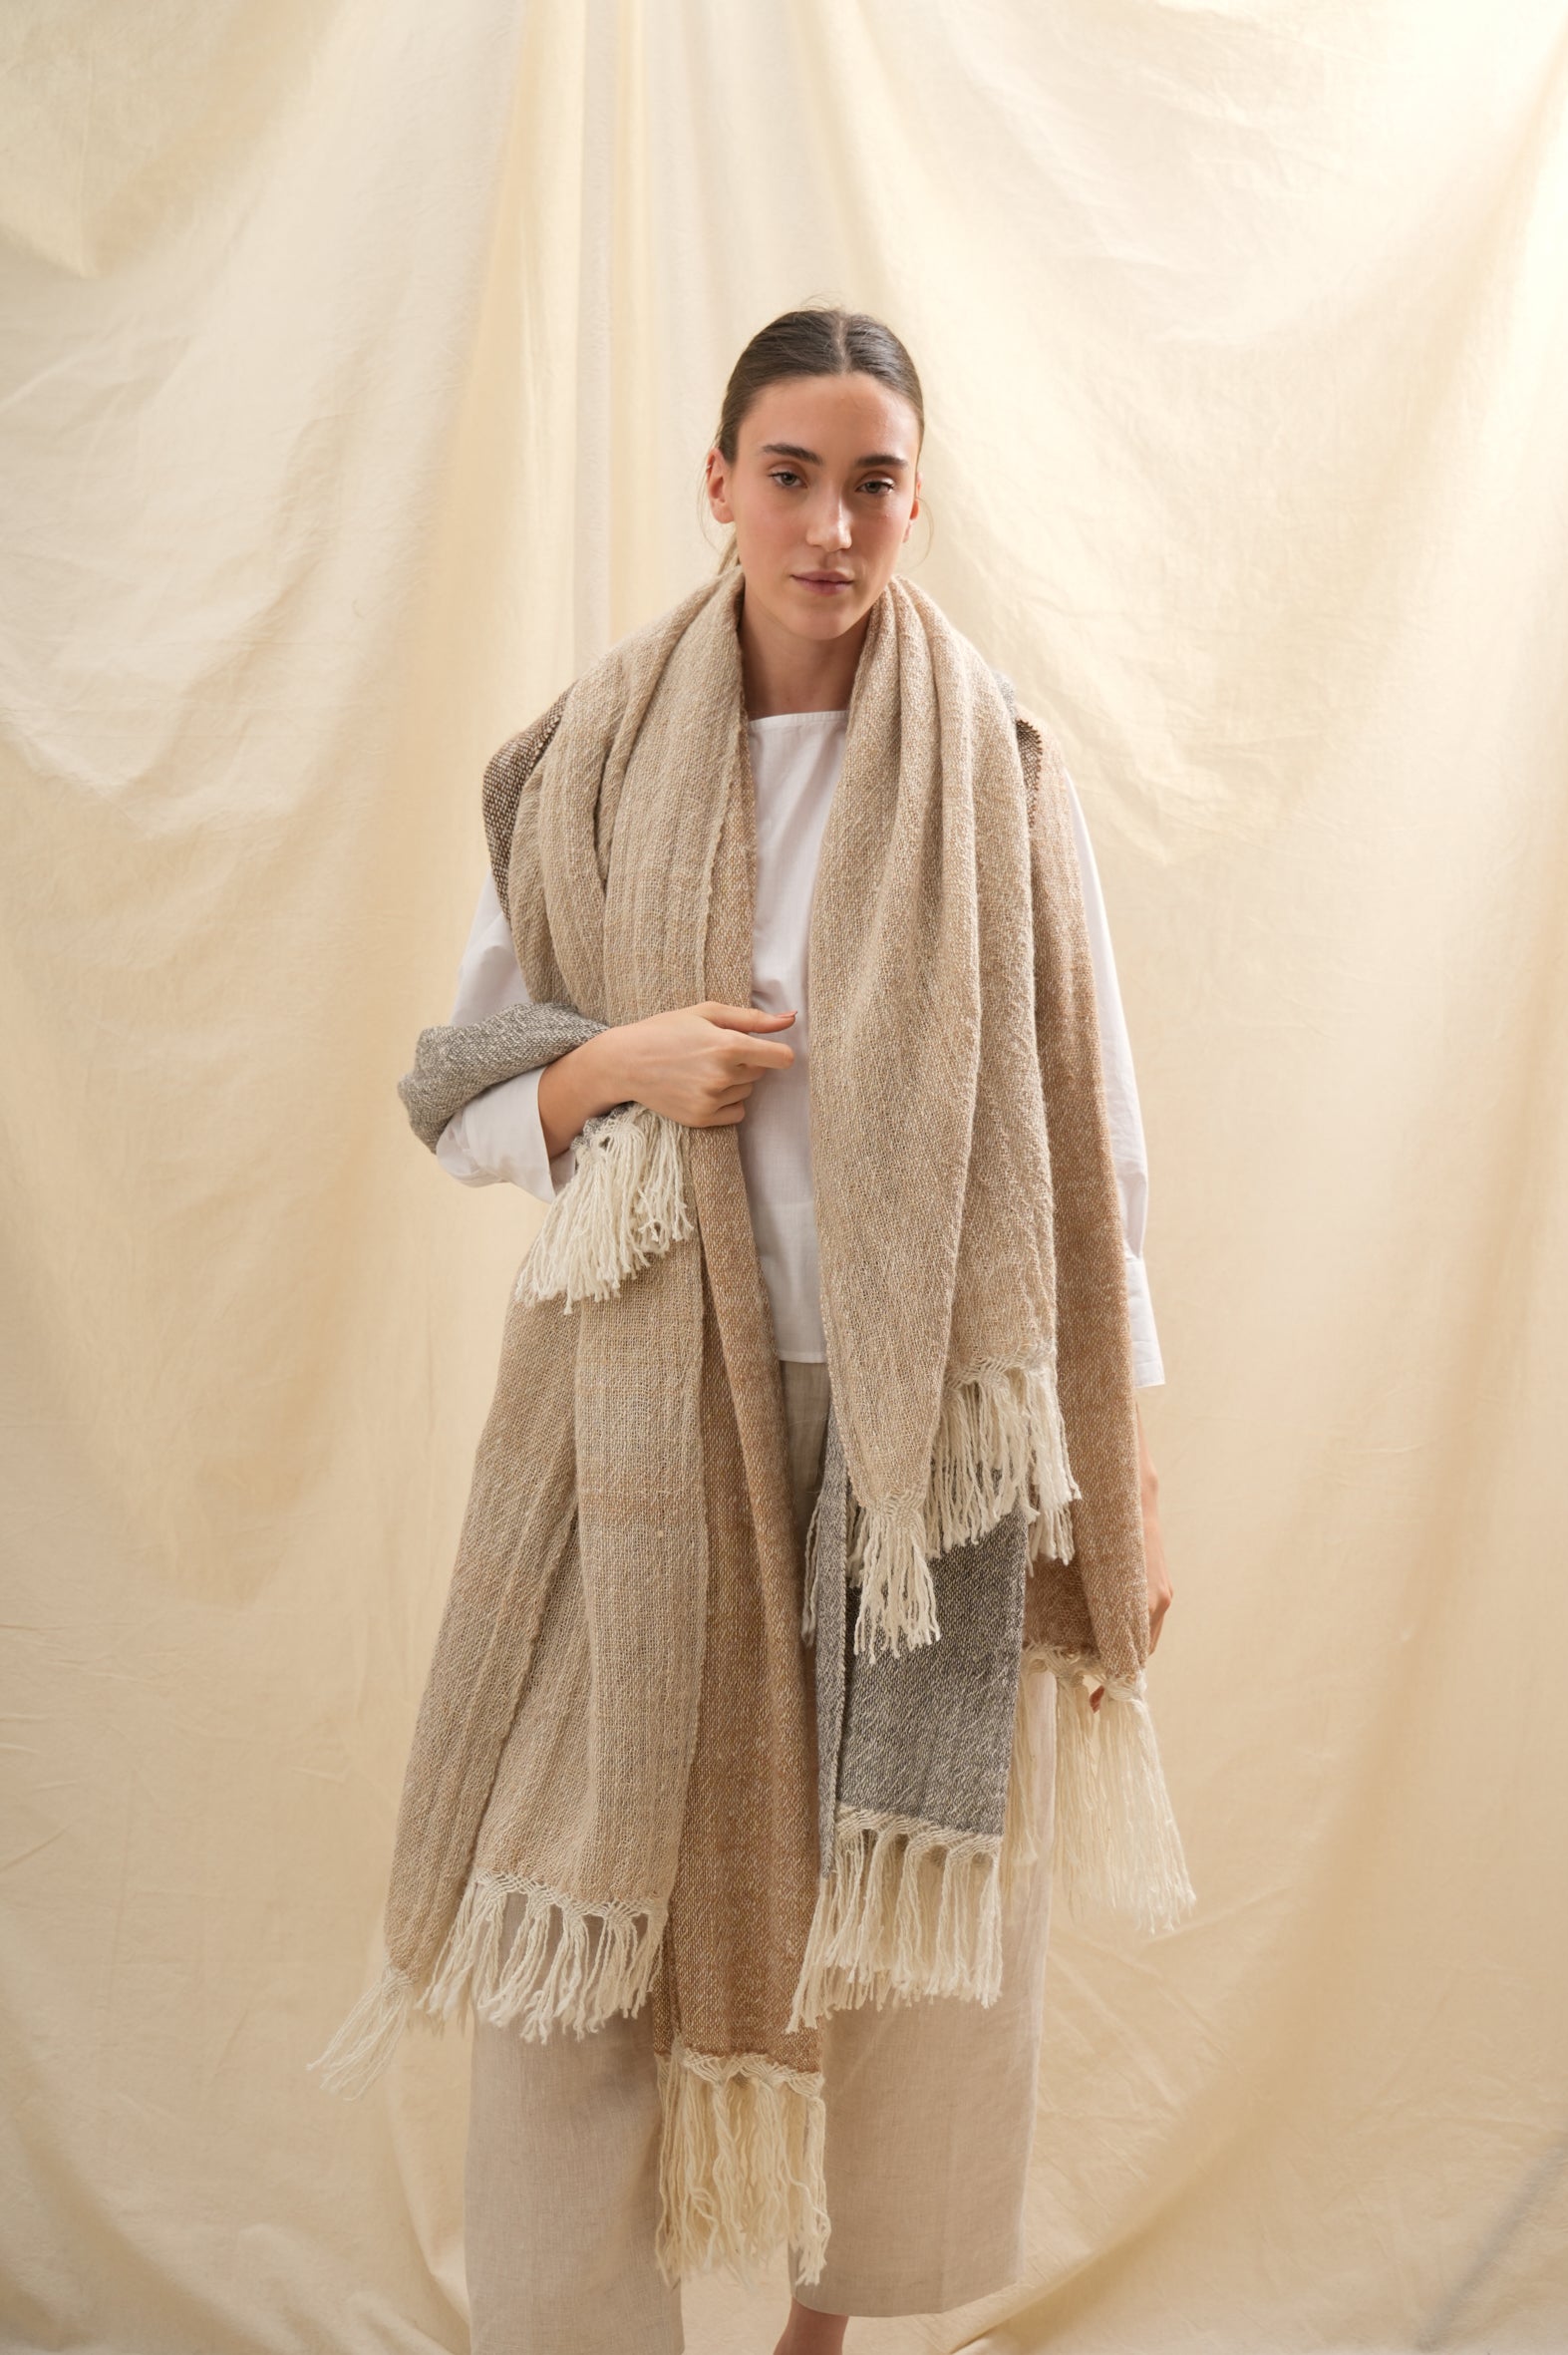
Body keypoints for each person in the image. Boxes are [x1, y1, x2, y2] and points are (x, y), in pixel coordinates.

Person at [426, 308, 1175, 2353]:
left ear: (916, 505)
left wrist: (1126, 1467)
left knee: (900, 1920)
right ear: (719, 482)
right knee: (578, 1902)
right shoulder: (586, 758)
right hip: (644, 1413)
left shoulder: (996, 766)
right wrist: (620, 1063)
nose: (830, 525)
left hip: (927, 1429)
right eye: (790, 475)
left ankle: (824, 2333)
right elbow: (471, 1092)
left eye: (872, 484)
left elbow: (1089, 1137)